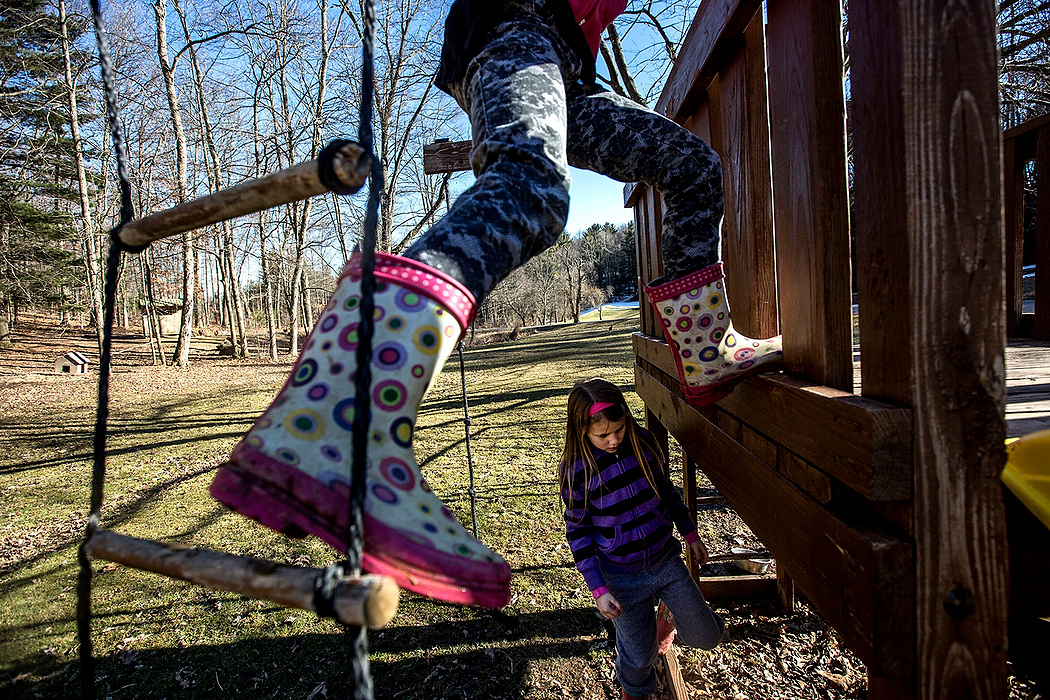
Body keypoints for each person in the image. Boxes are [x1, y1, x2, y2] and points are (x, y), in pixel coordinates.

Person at [209, 0, 781, 609]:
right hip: (511, 25)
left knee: (692, 165)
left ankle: (706, 350)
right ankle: (336, 414)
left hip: (566, 68)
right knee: (532, 187)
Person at [559, 378, 724, 700]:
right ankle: (636, 694)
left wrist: (691, 534)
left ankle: (668, 616)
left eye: (618, 430)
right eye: (602, 435)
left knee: (706, 636)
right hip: (621, 579)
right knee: (639, 657)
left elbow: (666, 492)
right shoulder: (576, 471)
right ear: (582, 431)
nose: (613, 440)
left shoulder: (644, 444)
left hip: (665, 563)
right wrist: (598, 589)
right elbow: (578, 533)